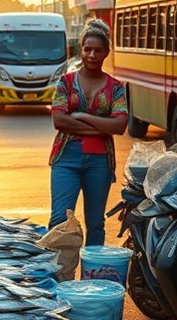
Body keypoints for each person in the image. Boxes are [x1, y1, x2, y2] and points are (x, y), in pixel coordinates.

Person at [48, 19, 128, 245]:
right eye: (87, 49)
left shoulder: (115, 87)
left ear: (106, 53)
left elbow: (120, 125)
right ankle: (58, 266)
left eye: (98, 50)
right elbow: (59, 120)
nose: (92, 55)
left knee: (95, 223)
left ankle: (92, 268)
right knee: (59, 220)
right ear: (80, 50)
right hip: (66, 158)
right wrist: (101, 127)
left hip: (100, 161)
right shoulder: (65, 82)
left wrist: (81, 116)